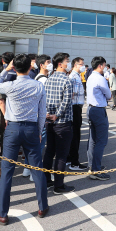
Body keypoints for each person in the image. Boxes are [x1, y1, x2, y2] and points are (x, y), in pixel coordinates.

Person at [0, 54, 49, 225]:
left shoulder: (10, 85)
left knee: (7, 171)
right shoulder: (38, 85)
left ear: (14, 68)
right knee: (37, 168)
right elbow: (42, 111)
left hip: (13, 128)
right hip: (31, 128)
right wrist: (39, 131)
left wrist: (5, 70)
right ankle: (42, 206)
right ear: (31, 67)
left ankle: (2, 213)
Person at [42, 52, 75, 194]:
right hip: (62, 122)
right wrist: (58, 115)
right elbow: (66, 102)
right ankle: (59, 185)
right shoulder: (67, 80)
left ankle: (46, 180)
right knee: (61, 154)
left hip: (49, 121)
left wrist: (48, 114)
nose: (68, 63)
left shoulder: (49, 79)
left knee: (49, 151)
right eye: (67, 61)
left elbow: (44, 99)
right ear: (60, 64)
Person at [86, 56, 111, 180]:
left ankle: (92, 166)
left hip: (90, 109)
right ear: (100, 65)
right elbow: (109, 95)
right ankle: (96, 169)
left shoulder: (90, 76)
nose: (105, 67)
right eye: (104, 65)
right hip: (98, 110)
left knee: (93, 140)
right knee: (101, 140)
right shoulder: (100, 78)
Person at [68, 57, 87, 171]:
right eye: (81, 64)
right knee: (75, 135)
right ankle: (74, 162)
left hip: (76, 107)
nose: (83, 66)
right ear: (75, 65)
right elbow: (72, 94)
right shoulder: (73, 77)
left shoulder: (76, 76)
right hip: (75, 108)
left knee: (74, 135)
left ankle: (70, 158)